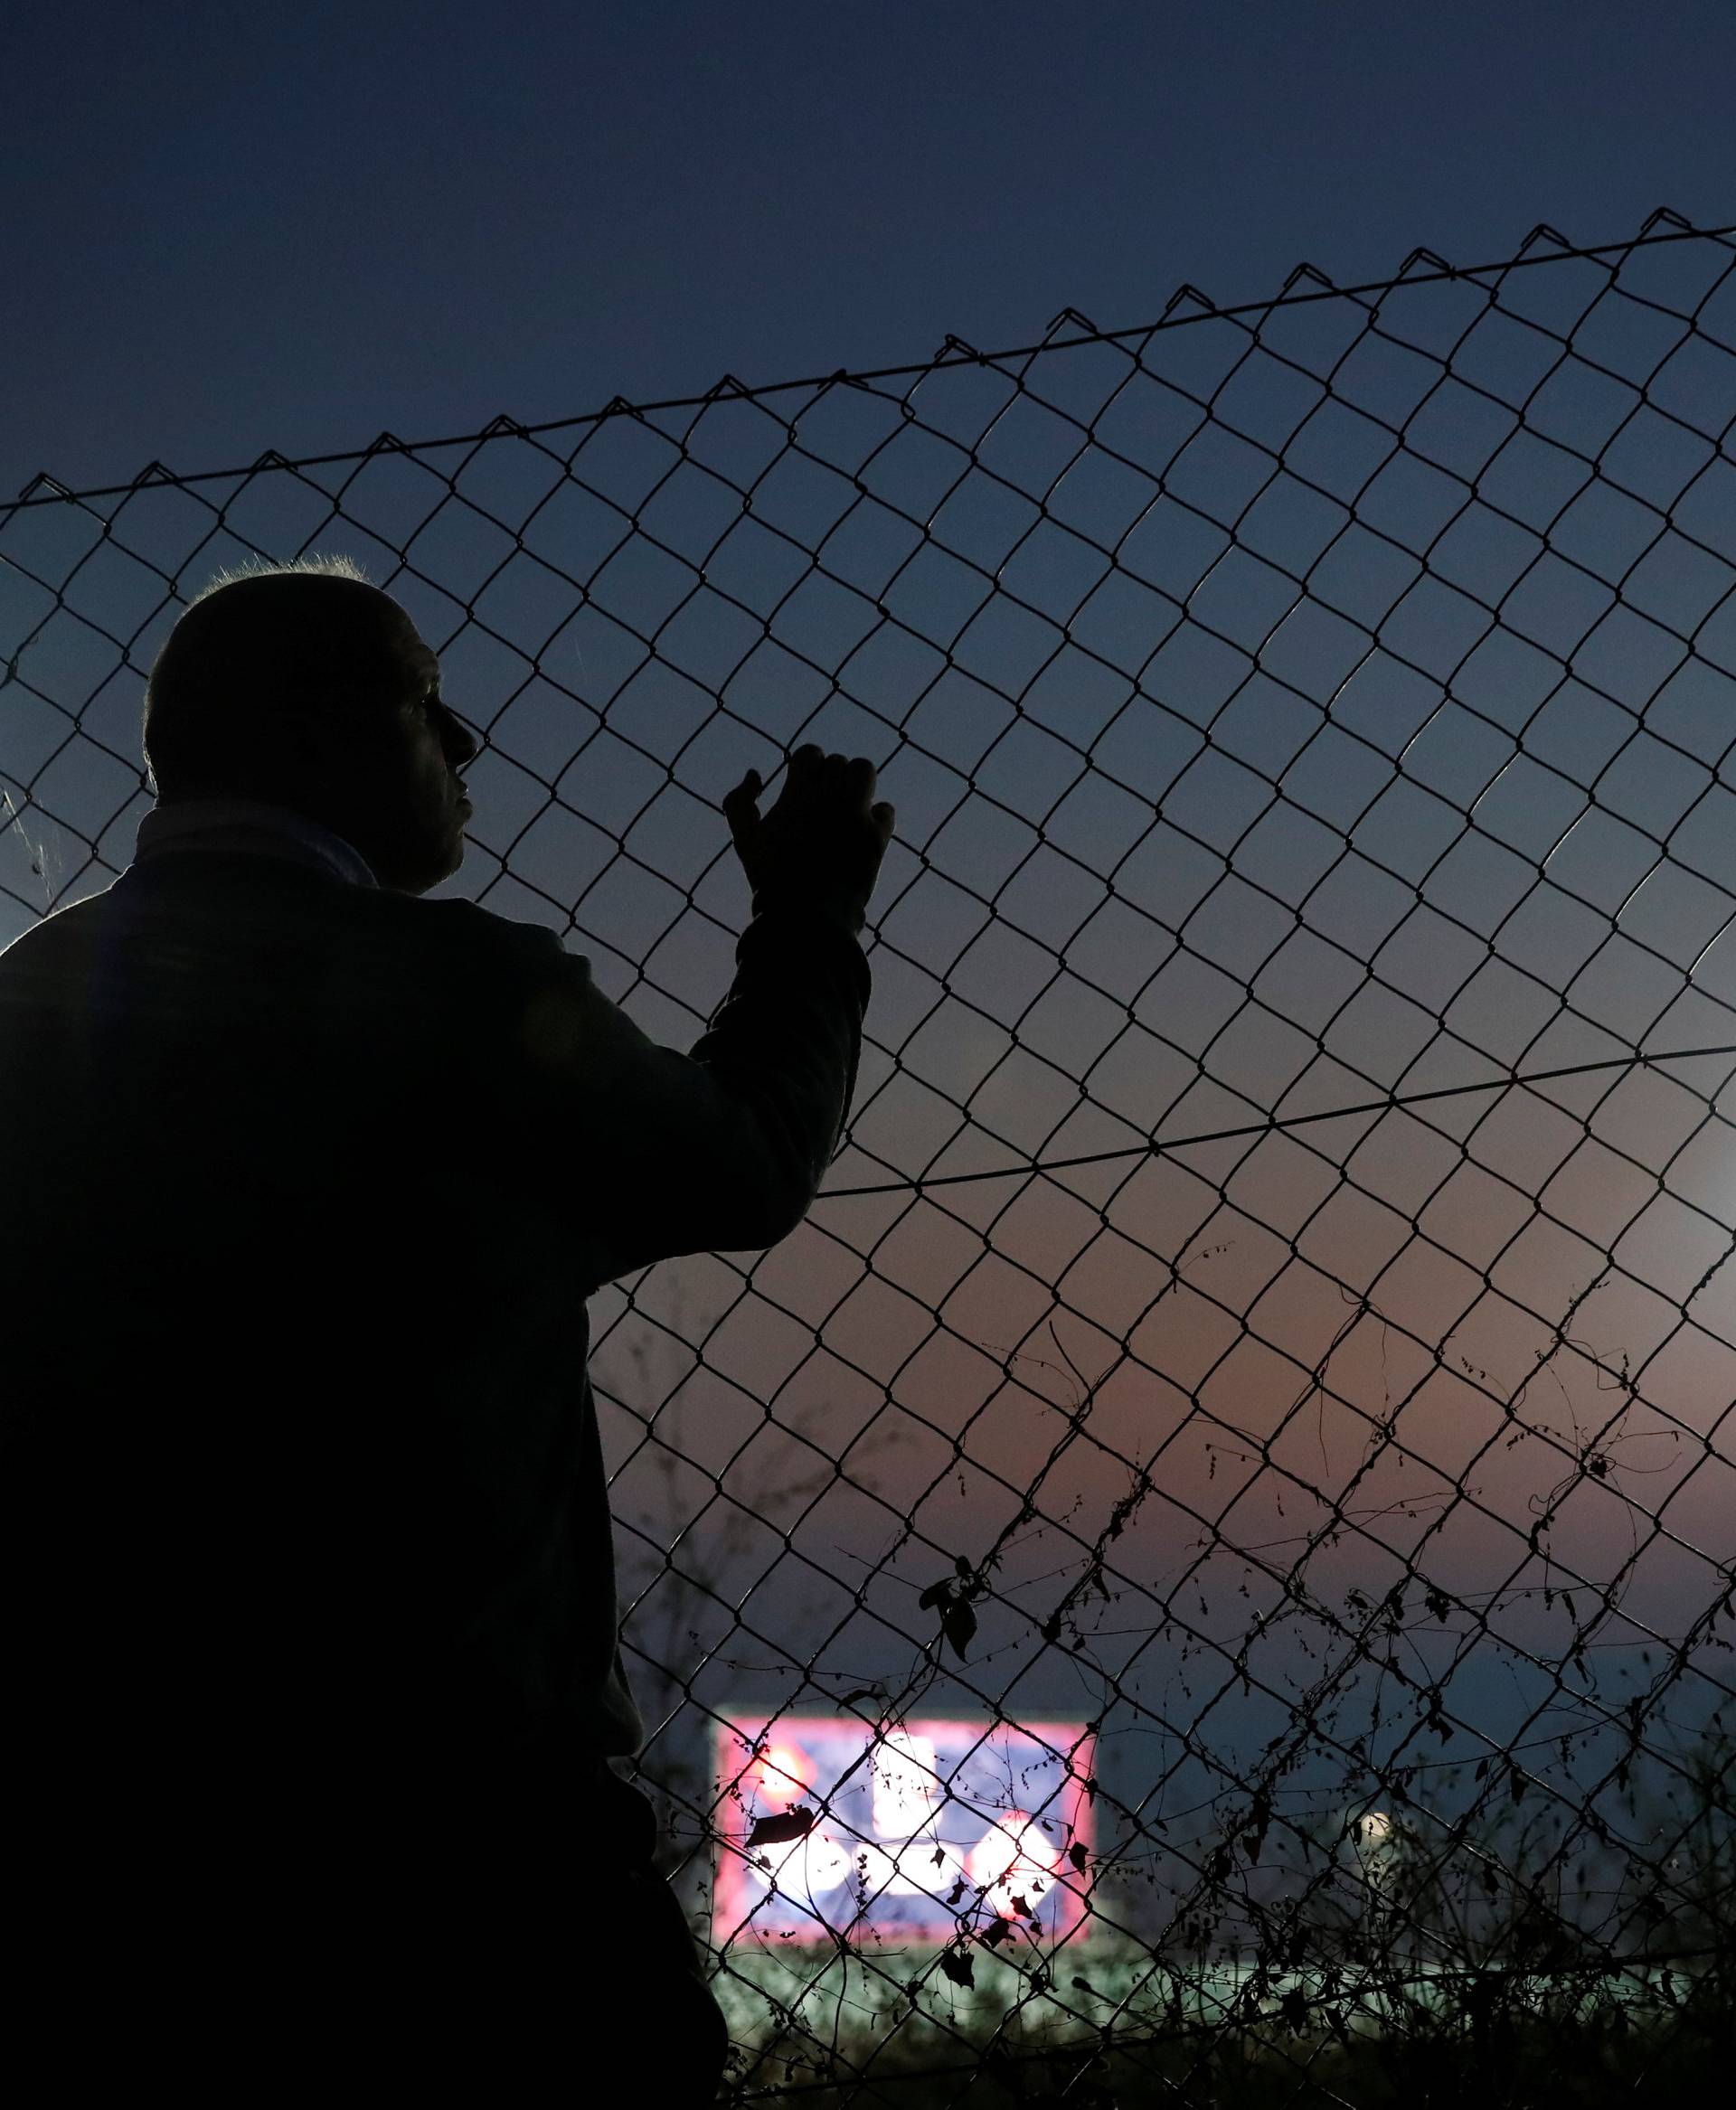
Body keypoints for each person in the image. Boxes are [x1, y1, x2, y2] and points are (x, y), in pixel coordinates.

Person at [0, 557, 894, 2100]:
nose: (467, 746)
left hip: (101, 1812)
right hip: (461, 1820)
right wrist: (808, 923)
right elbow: (743, 1161)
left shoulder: (25, 1005)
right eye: (432, 704)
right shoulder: (466, 998)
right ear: (324, 733)